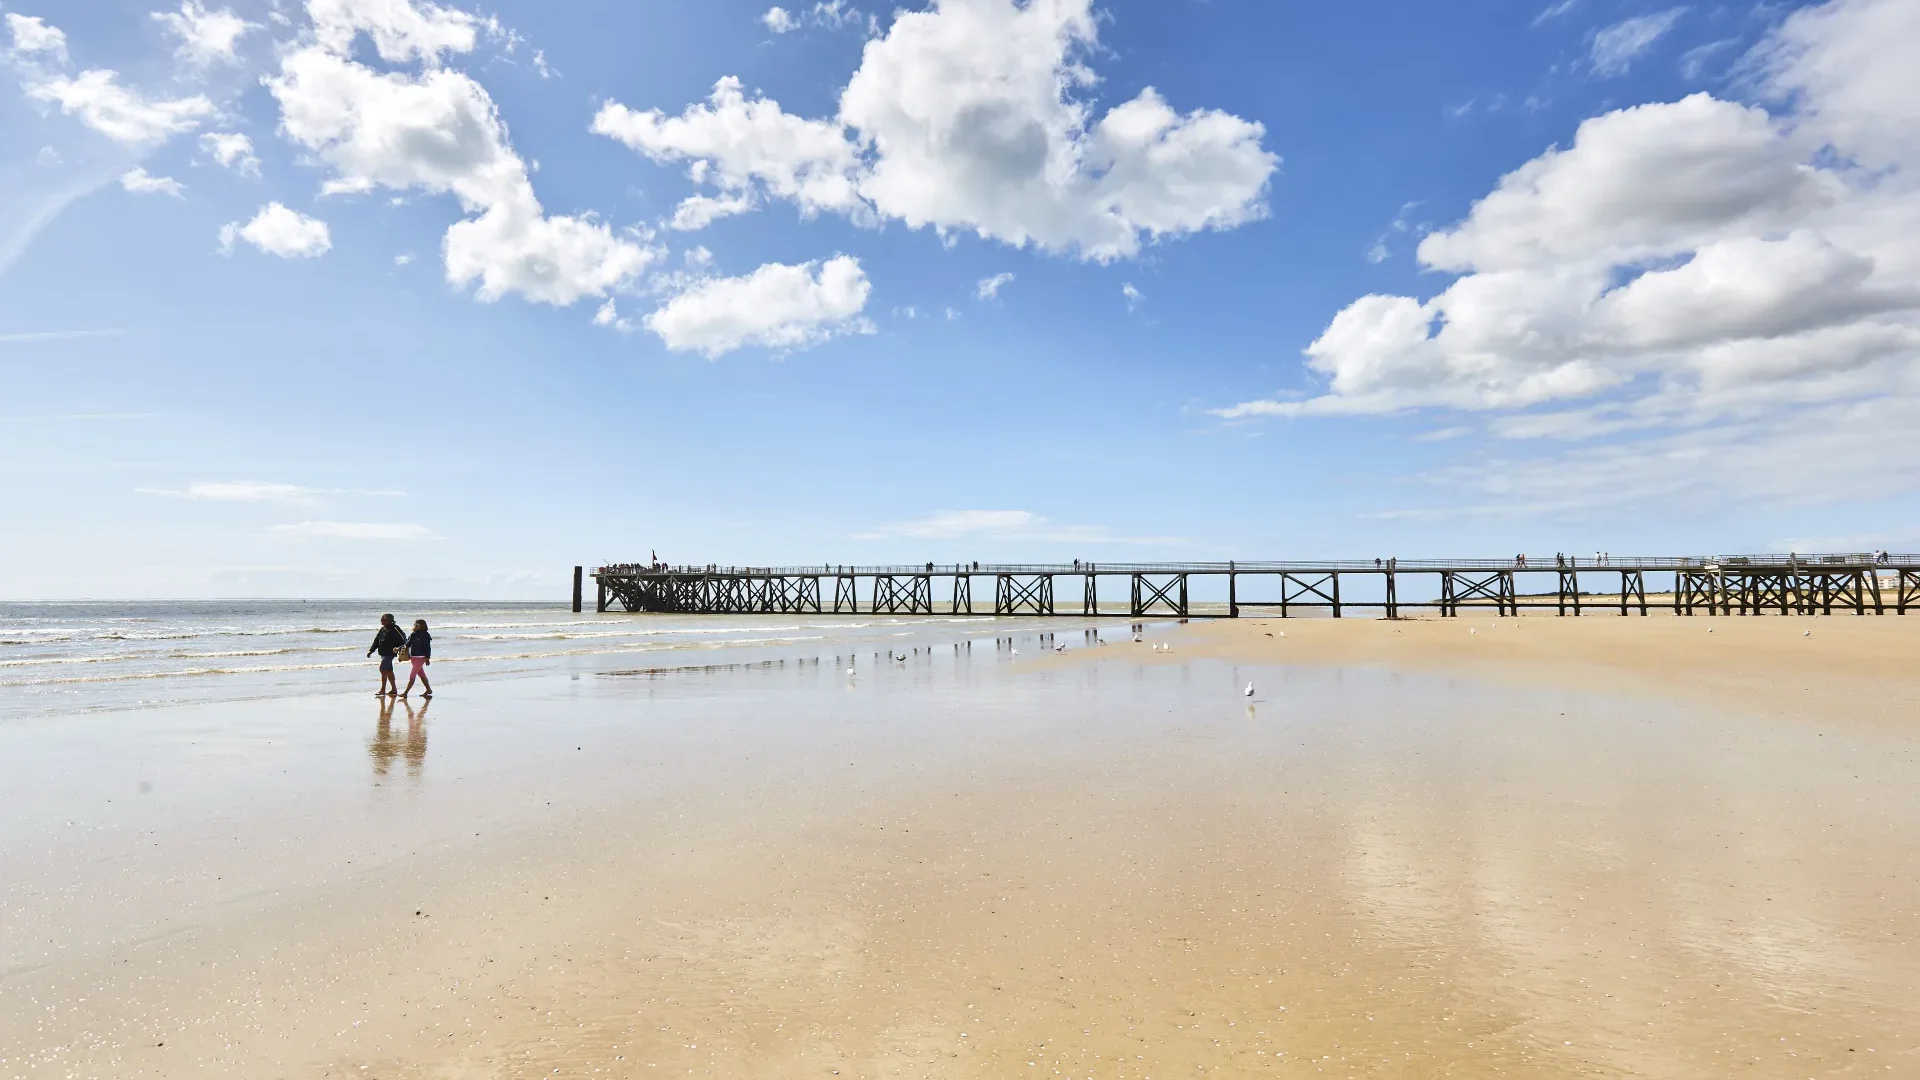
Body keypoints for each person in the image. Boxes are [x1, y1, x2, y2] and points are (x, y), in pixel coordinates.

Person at [367, 613, 405, 697]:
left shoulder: (395, 629)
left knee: (382, 668)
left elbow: (404, 641)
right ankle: (394, 689)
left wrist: (399, 650)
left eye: (383, 619)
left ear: (389, 620)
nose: (381, 620)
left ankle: (383, 689)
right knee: (389, 671)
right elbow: (376, 640)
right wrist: (371, 650)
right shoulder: (382, 629)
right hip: (383, 653)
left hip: (390, 653)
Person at [400, 619, 433, 698]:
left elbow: (427, 647)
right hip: (413, 657)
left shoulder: (425, 635)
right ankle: (428, 689)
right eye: (415, 624)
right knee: (421, 674)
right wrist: (399, 650)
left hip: (421, 658)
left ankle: (405, 693)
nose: (415, 626)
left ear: (421, 625)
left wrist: (427, 658)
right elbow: (407, 644)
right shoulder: (413, 634)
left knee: (412, 675)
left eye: (417, 624)